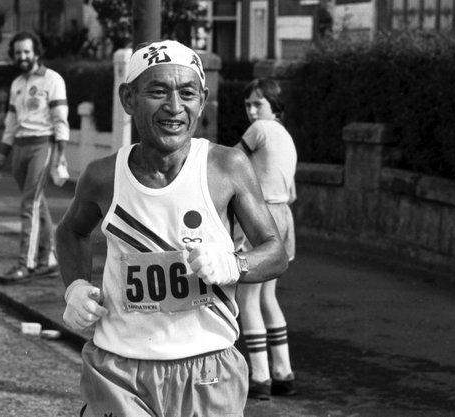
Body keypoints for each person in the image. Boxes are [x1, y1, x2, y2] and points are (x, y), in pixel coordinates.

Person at [55, 40, 290, 417]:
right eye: (158, 91)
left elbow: (274, 252)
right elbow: (70, 232)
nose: (174, 107)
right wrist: (75, 287)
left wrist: (233, 265)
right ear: (128, 98)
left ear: (203, 99)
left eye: (187, 93)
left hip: (208, 367)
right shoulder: (102, 176)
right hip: (120, 365)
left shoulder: (226, 167)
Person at [234, 78, 298, 399]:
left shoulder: (259, 130)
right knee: (268, 298)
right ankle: (283, 372)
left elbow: (229, 164)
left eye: (258, 103)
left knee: (247, 299)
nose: (251, 110)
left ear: (274, 106)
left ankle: (259, 377)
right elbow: (293, 191)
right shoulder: (286, 137)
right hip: (284, 216)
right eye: (248, 104)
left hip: (261, 217)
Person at [0, 32, 70, 284]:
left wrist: (59, 155)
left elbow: (60, 121)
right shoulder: (16, 84)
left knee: (28, 206)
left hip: (41, 145)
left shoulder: (52, 79)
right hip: (20, 149)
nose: (22, 56)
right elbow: (10, 123)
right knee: (36, 204)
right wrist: (1, 156)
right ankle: (49, 260)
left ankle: (26, 264)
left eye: (26, 51)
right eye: (18, 52)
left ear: (36, 52)